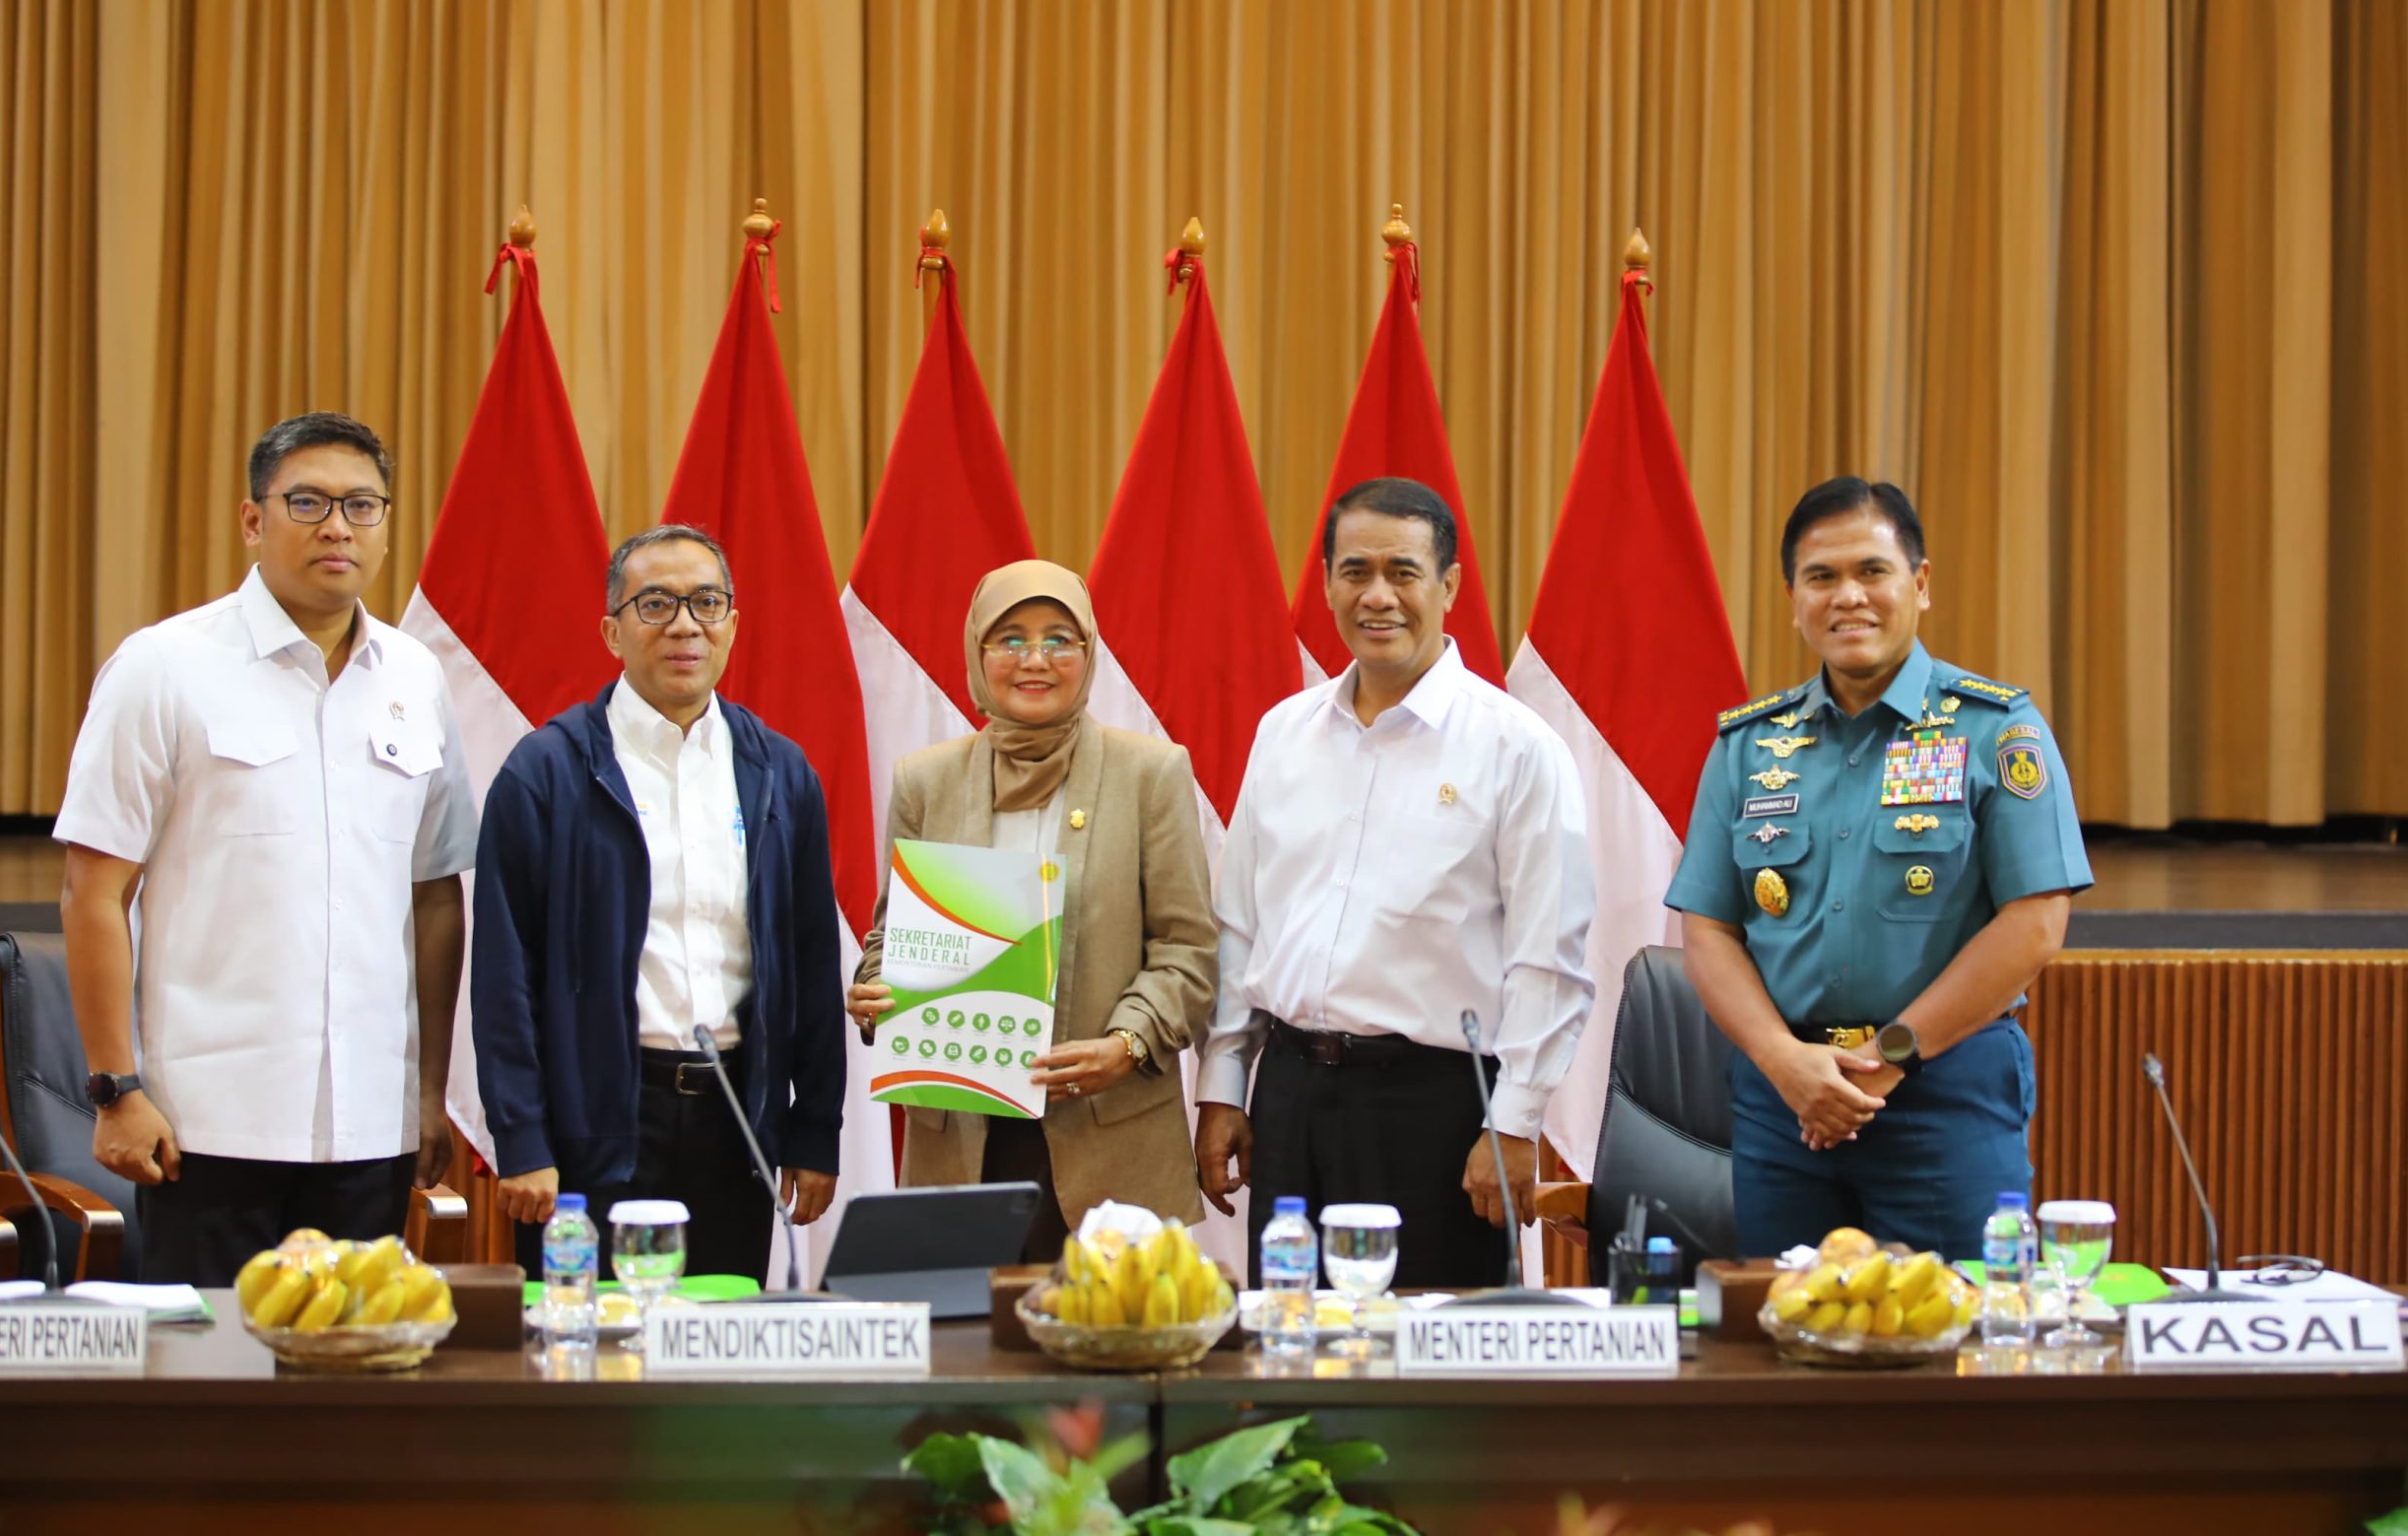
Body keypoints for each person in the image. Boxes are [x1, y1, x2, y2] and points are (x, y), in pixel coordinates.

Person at [53, 413, 477, 1286]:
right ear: (254, 520)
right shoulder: (164, 666)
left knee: (356, 1389)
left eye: (362, 505)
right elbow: (93, 892)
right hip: (206, 1125)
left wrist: (428, 1092)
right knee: (212, 1398)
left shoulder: (415, 677)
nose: (337, 526)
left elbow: (435, 895)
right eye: (309, 502)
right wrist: (114, 1088)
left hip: (372, 1124)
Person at [1666, 476, 2092, 1259]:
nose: (1848, 597)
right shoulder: (1748, 747)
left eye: (1872, 571)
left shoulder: (1996, 730)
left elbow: (2036, 924)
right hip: (1786, 1098)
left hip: (1942, 1091)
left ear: (1919, 585)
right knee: (1784, 1340)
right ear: (1793, 596)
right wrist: (1784, 1062)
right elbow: (1709, 930)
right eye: (1822, 577)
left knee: (1958, 1345)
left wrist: (1888, 1056)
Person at [1194, 478, 1593, 1287]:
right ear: (1329, 585)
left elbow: (1549, 960)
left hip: (1437, 1111)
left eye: (1404, 572)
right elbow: (1240, 927)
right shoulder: (1283, 733)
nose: (1378, 595)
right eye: (1355, 570)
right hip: (1292, 1095)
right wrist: (1224, 1086)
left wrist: (1512, 1125)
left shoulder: (1517, 748)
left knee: (1431, 1374)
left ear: (1447, 586)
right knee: (1293, 1352)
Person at [469, 524, 843, 1281]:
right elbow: (503, 975)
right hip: (596, 1118)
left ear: (732, 626)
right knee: (587, 1367)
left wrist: (814, 1132)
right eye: (656, 603)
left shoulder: (779, 772)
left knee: (717, 1370)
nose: (684, 624)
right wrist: (523, 1138)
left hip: (736, 1121)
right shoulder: (546, 771)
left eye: (706, 602)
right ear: (612, 630)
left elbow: (809, 959)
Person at [845, 560, 1217, 1260]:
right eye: (1009, 638)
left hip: (1108, 1137)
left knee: (1108, 1357)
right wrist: (876, 988)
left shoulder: (1151, 772)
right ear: (977, 652)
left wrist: (1127, 1043)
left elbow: (1187, 950)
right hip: (962, 1137)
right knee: (965, 1354)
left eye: (1059, 639)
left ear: (1089, 652)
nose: (1035, 659)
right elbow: (891, 933)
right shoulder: (924, 779)